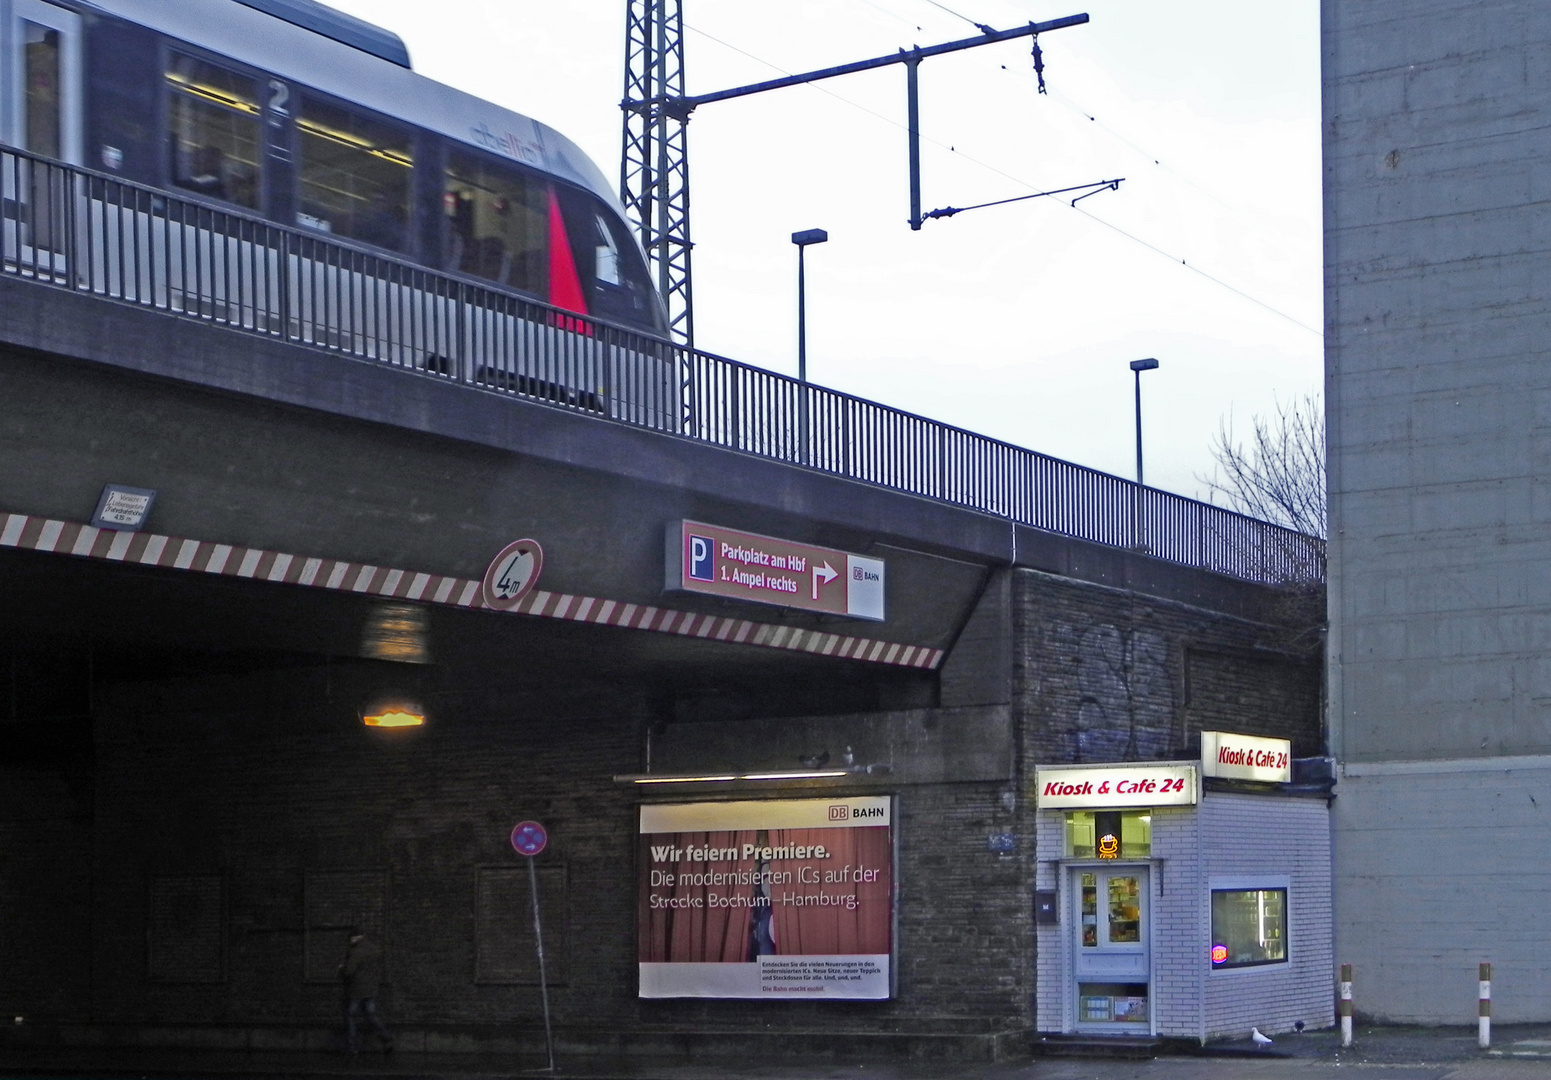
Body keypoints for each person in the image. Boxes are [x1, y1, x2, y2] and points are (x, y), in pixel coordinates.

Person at [338, 928, 392, 1054]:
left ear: (355, 937)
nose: (349, 941)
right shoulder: (375, 949)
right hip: (371, 989)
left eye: (350, 938)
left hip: (356, 990)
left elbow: (348, 972)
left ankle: (352, 1047)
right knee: (371, 1015)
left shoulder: (356, 951)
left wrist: (341, 968)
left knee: (350, 1016)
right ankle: (386, 1038)